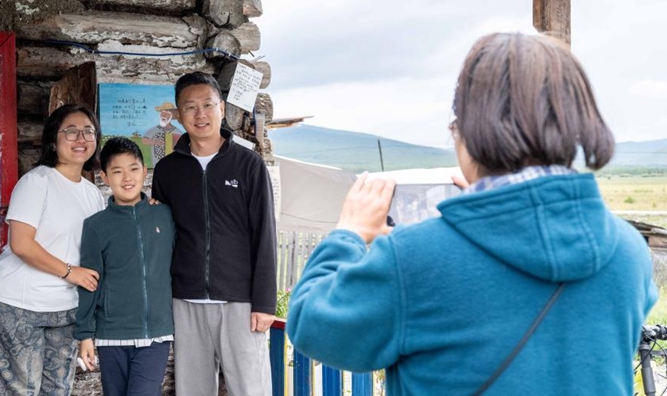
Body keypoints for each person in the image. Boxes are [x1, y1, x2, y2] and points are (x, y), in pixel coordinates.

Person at [286, 33, 658, 396]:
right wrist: (493, 216)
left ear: (470, 129)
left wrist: (348, 233)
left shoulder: (413, 258)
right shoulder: (628, 251)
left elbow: (312, 326)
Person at [152, 72, 277, 396]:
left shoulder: (249, 165)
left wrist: (264, 302)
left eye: (207, 104)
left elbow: (264, 234)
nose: (200, 114)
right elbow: (163, 237)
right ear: (179, 116)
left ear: (221, 108)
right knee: (192, 390)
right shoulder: (168, 170)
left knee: (251, 388)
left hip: (241, 300)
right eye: (190, 107)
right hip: (185, 298)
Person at [0, 103, 105, 396]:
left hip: (64, 309)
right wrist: (69, 272)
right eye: (71, 131)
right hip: (19, 302)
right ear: (53, 140)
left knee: (57, 389)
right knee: (20, 391)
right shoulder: (36, 181)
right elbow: (21, 243)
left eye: (88, 131)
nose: (81, 138)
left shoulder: (93, 194)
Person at [75, 137, 176, 396]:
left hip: (156, 335)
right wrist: (85, 334)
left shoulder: (165, 215)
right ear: (105, 177)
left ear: (144, 171)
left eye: (133, 169)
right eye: (117, 171)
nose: (127, 177)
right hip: (111, 335)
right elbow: (90, 281)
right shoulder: (95, 226)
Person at [141, 102, 183, 166]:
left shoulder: (177, 132)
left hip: (172, 164)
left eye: (167, 113)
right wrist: (155, 142)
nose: (164, 115)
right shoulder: (154, 130)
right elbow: (144, 140)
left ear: (172, 115)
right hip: (157, 163)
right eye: (162, 113)